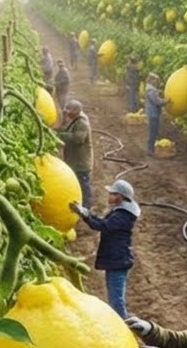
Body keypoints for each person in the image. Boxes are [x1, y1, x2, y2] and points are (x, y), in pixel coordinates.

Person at [68, 180, 139, 318]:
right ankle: (122, 319)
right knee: (115, 296)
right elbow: (103, 222)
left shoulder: (123, 216)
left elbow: (102, 225)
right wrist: (86, 213)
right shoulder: (122, 212)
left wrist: (85, 214)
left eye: (112, 194)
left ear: (120, 196)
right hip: (116, 259)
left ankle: (123, 325)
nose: (109, 196)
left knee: (116, 299)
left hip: (118, 260)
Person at [56, 99, 93, 207]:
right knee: (77, 181)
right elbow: (67, 130)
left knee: (83, 183)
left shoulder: (82, 122)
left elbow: (78, 138)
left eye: (68, 110)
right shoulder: (75, 119)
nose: (66, 112)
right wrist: (57, 130)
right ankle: (80, 202)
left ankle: (87, 206)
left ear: (75, 112)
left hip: (80, 161)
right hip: (75, 160)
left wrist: (60, 136)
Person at [144, 73, 167, 155]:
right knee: (152, 132)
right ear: (152, 80)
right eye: (156, 80)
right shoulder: (151, 90)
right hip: (153, 114)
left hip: (153, 113)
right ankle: (150, 149)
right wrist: (166, 101)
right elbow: (157, 101)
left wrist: (158, 92)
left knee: (154, 131)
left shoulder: (151, 89)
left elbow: (155, 96)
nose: (157, 82)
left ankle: (152, 148)